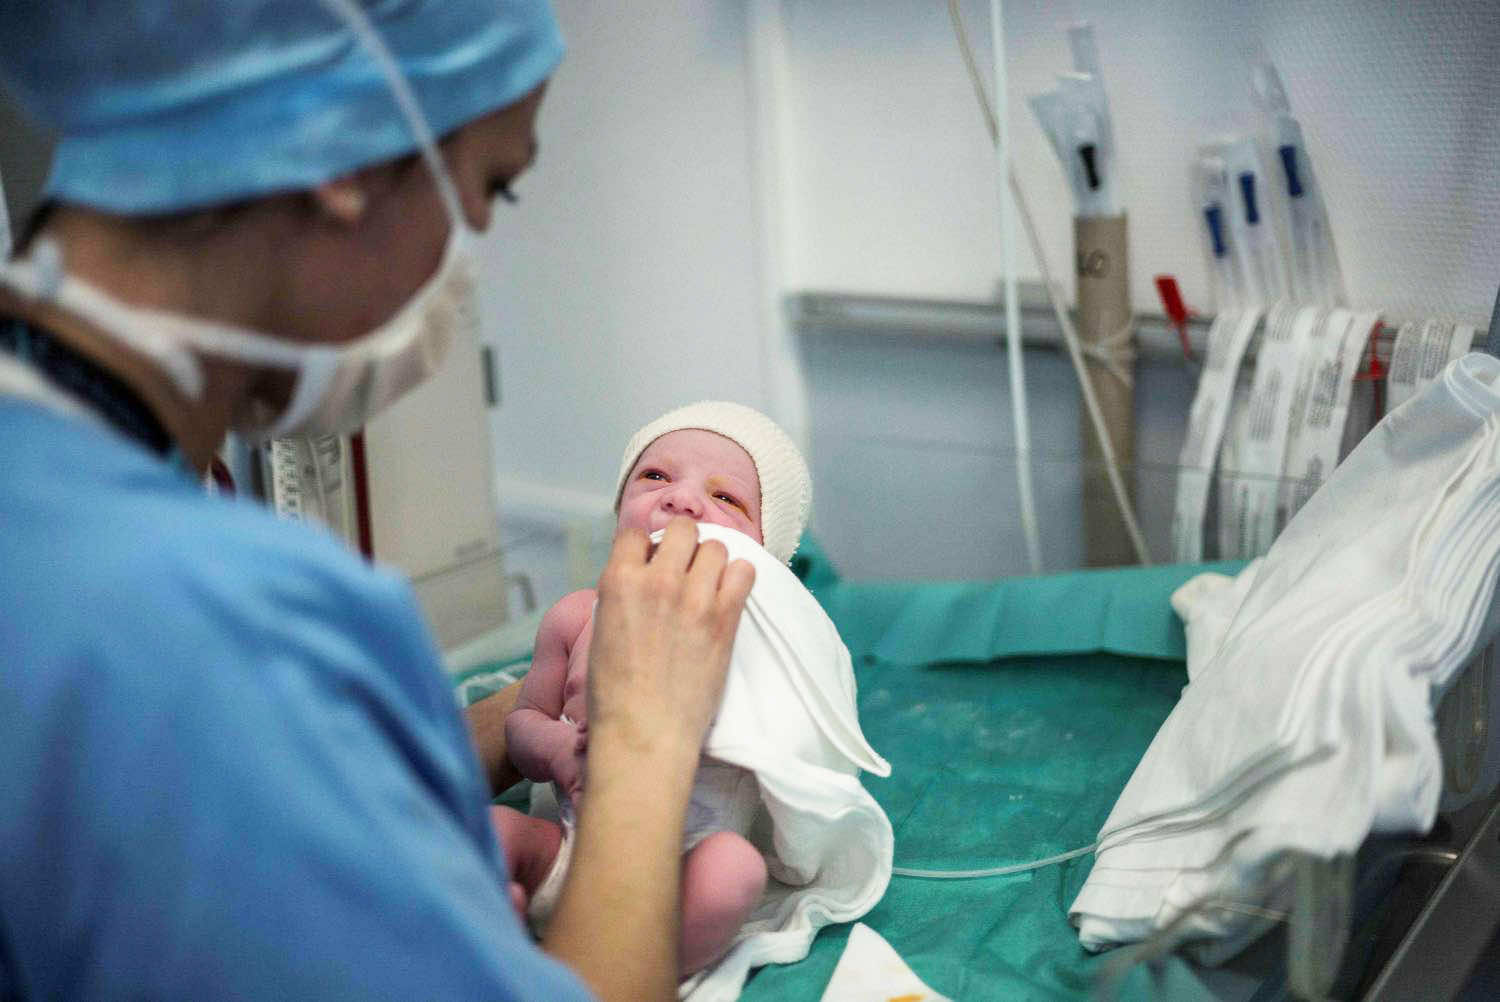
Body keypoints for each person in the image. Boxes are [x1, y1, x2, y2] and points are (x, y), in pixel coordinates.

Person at [0, 4, 754, 1001]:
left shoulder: (66, 497)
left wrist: (523, 715)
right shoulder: (221, 622)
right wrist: (644, 740)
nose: (473, 244)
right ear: (343, 158)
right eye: (490, 186)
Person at [494, 401, 812, 977]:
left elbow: (806, 760)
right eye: (656, 475)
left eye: (726, 497)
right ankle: (492, 936)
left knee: (735, 869)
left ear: (768, 557)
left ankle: (661, 968)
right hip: (569, 853)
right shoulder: (576, 617)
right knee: (490, 831)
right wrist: (556, 748)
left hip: (681, 879)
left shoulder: (764, 642)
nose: (682, 500)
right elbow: (523, 722)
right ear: (619, 509)